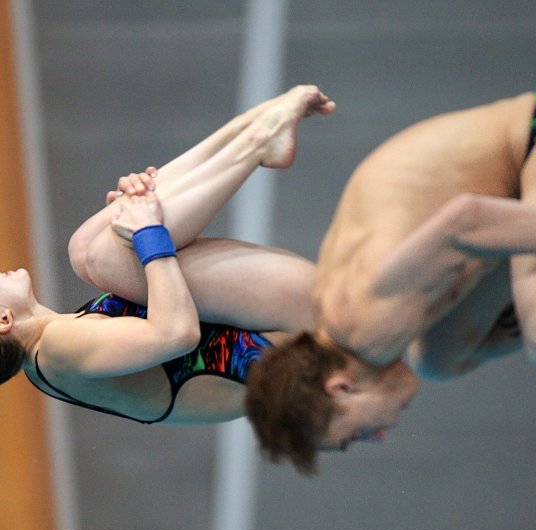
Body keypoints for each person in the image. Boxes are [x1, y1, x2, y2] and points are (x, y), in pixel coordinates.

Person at [244, 89, 536, 474]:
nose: (381, 435)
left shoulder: (367, 325)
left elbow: (467, 220)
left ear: (341, 388)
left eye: (356, 435)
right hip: (527, 168)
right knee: (436, 360)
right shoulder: (341, 322)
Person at [1, 85, 334, 424]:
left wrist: (135, 215)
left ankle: (252, 129)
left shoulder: (47, 361)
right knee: (107, 257)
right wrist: (148, 231)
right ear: (4, 320)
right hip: (302, 336)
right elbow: (177, 334)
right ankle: (256, 139)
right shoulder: (56, 347)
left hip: (288, 335)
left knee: (89, 249)